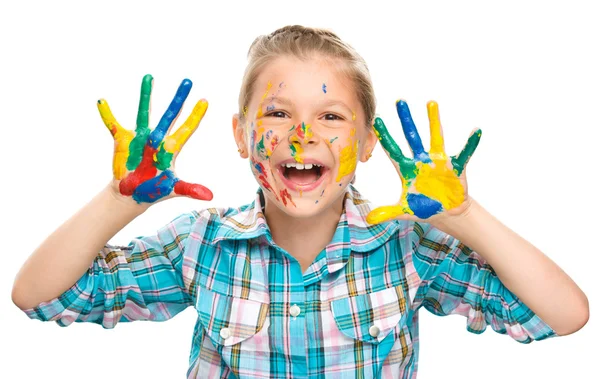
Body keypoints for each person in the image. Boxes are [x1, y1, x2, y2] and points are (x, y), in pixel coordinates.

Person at [11, 25, 589, 378]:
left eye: (330, 116)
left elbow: (562, 315)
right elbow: (40, 295)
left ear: (367, 144)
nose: (302, 135)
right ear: (240, 135)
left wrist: (465, 217)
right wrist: (120, 199)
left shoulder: (409, 250)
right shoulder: (201, 245)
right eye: (278, 113)